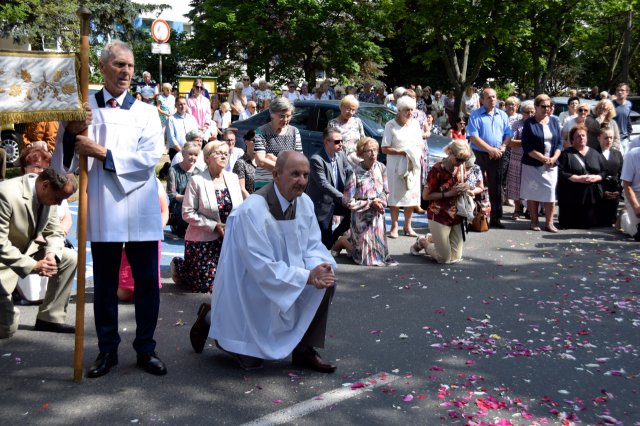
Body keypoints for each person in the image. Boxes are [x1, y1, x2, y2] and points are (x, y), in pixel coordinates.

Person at [59, 40, 167, 378]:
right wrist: (71, 137)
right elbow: (63, 166)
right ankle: (107, 350)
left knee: (147, 283)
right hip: (104, 208)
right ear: (102, 67)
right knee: (105, 284)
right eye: (119, 64)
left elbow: (150, 159)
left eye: (131, 66)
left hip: (141, 210)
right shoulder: (82, 111)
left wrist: (101, 152)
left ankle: (146, 349)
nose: (126, 72)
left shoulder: (147, 112)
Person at [196, 151, 337, 373]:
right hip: (252, 285)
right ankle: (211, 318)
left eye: (305, 175)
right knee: (252, 363)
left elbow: (312, 246)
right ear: (276, 175)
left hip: (288, 276)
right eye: (295, 174)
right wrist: (306, 276)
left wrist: (320, 268)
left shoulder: (306, 203)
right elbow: (260, 265)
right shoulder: (252, 210)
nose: (301, 181)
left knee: (327, 280)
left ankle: (303, 349)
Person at [0, 168, 77, 339]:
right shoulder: (5, 194)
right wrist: (33, 266)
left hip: (23, 250)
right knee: (7, 328)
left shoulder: (46, 195)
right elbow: (0, 244)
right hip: (3, 259)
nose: (59, 204)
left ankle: (50, 318)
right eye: (58, 199)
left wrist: (51, 255)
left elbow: (55, 231)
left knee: (68, 258)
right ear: (45, 185)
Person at [171, 141, 244, 293]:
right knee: (206, 287)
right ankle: (179, 265)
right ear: (206, 158)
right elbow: (187, 212)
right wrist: (214, 226)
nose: (223, 156)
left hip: (228, 239)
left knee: (230, 285)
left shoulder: (233, 178)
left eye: (226, 153)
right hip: (203, 240)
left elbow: (240, 209)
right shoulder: (197, 180)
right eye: (218, 153)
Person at [331, 137, 395, 266]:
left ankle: (347, 240)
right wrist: (370, 203)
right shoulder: (354, 172)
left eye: (375, 150)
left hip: (377, 216)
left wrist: (381, 202)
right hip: (361, 216)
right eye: (369, 151)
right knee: (363, 260)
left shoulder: (381, 168)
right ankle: (343, 241)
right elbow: (347, 200)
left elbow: (386, 191)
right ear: (361, 153)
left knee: (378, 258)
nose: (373, 154)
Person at [412, 140, 472, 264]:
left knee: (455, 257)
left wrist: (465, 187)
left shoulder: (461, 167)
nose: (461, 163)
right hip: (439, 214)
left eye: (463, 161)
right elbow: (426, 196)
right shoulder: (437, 170)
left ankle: (431, 238)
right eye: (458, 160)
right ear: (450, 153)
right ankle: (423, 241)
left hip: (457, 214)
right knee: (444, 258)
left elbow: (466, 182)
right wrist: (449, 194)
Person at [467, 87, 513, 228]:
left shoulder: (502, 115)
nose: (492, 99)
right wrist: (490, 149)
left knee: (497, 186)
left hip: (498, 154)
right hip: (479, 154)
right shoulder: (475, 115)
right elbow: (473, 137)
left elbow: (508, 134)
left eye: (494, 97)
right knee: (476, 185)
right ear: (481, 100)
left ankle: (496, 218)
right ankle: (474, 218)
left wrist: (503, 147)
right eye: (489, 97)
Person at [117, 178, 168, 302]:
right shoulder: (121, 179)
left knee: (148, 289)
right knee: (125, 295)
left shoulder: (155, 182)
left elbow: (164, 210)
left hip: (151, 237)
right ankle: (117, 282)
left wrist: (157, 229)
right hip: (127, 238)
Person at [381, 96, 424, 238]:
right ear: (399, 110)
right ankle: (394, 226)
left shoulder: (416, 124)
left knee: (411, 196)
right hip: (395, 165)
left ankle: (408, 226)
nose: (410, 112)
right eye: (407, 110)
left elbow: (420, 143)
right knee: (395, 196)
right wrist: (401, 152)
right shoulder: (390, 125)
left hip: (412, 165)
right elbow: (384, 148)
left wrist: (414, 153)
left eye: (412, 109)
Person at [520, 95, 563, 232]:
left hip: (551, 165)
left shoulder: (554, 122)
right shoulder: (529, 123)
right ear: (536, 107)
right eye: (543, 106)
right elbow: (527, 146)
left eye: (549, 106)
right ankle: (534, 221)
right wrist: (543, 158)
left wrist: (553, 158)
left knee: (550, 193)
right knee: (533, 193)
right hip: (533, 164)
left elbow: (560, 143)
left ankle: (549, 223)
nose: (546, 109)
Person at [306, 128, 352, 249]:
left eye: (342, 141)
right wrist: (343, 198)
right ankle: (329, 245)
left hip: (337, 199)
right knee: (325, 241)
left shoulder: (341, 155)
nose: (340, 144)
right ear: (326, 142)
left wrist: (351, 191)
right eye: (337, 141)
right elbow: (323, 184)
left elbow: (349, 172)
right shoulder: (316, 159)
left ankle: (336, 236)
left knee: (355, 213)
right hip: (322, 203)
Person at [557, 125, 607, 229]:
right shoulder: (566, 154)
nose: (581, 138)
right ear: (572, 139)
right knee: (572, 224)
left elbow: (604, 171)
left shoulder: (595, 153)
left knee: (590, 224)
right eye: (578, 136)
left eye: (583, 135)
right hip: (572, 196)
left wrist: (597, 177)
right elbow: (560, 172)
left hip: (591, 195)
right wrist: (576, 178)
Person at [254, 97, 303, 186]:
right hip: (265, 183)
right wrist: (289, 169)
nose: (285, 120)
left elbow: (299, 162)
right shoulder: (261, 131)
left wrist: (275, 159)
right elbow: (260, 161)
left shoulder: (294, 131)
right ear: (272, 115)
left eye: (288, 116)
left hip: (287, 184)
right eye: (282, 116)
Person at [167, 141, 202, 238]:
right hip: (178, 210)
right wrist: (187, 198)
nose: (193, 157)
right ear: (183, 154)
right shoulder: (173, 170)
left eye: (195, 155)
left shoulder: (200, 173)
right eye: (190, 154)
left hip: (195, 208)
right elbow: (171, 194)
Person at [507, 102, 535, 220]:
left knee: (531, 185)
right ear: (522, 113)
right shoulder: (516, 124)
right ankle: (517, 209)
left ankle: (530, 209)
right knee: (516, 185)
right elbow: (510, 142)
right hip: (517, 159)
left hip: (533, 159)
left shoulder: (536, 124)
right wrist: (527, 142)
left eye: (531, 112)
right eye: (526, 112)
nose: (529, 114)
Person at [595, 128, 623, 227]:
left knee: (611, 221)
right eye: (606, 138)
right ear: (599, 138)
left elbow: (621, 174)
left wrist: (618, 191)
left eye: (611, 138)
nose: (609, 140)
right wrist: (602, 192)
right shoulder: (593, 153)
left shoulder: (617, 154)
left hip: (614, 192)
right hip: (598, 192)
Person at [328, 95, 365, 164]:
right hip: (340, 160)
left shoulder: (357, 122)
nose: (350, 112)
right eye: (348, 109)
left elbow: (362, 140)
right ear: (341, 107)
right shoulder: (333, 124)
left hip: (357, 160)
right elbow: (331, 142)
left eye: (353, 110)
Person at [166, 96, 199, 160]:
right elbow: (171, 138)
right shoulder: (171, 119)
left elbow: (196, 134)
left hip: (191, 151)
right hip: (176, 152)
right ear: (175, 105)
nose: (183, 106)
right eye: (180, 104)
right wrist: (182, 151)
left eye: (184, 104)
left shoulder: (192, 118)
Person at [620, 147, 640, 240]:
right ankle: (624, 217)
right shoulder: (633, 155)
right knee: (638, 234)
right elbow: (627, 185)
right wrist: (636, 207)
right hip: (634, 194)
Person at [232, 130, 259, 198]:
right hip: (249, 204)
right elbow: (241, 189)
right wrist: (253, 203)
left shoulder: (263, 162)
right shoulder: (241, 163)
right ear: (246, 142)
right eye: (255, 141)